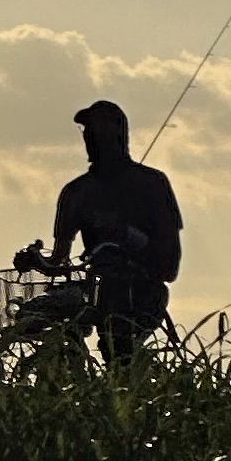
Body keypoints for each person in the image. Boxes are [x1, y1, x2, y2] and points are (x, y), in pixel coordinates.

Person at [48, 96, 182, 357]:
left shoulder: (151, 184)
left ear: (118, 135)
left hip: (141, 295)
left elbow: (169, 265)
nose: (90, 138)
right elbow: (59, 260)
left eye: (98, 131)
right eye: (87, 132)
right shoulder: (77, 192)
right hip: (97, 295)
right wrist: (34, 260)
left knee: (121, 350)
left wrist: (128, 236)